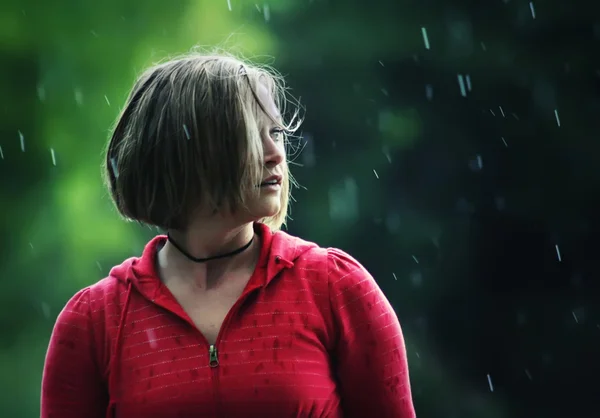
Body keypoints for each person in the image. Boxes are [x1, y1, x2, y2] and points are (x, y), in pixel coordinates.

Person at [41, 52, 416, 418]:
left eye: (276, 134)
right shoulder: (94, 322)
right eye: (251, 137)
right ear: (185, 153)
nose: (276, 155)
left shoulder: (336, 288)